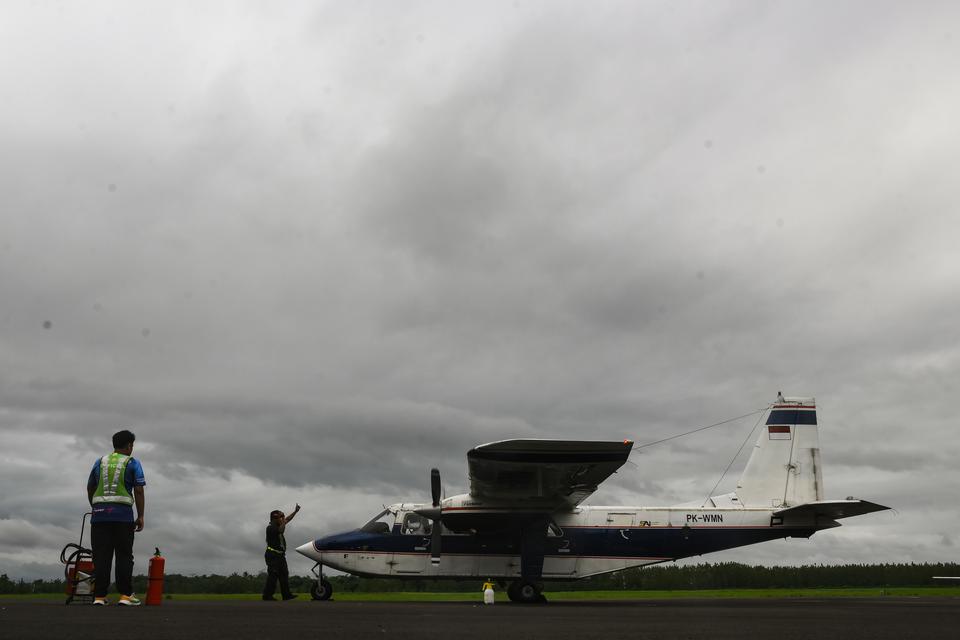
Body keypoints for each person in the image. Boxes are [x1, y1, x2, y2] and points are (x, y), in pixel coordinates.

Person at [86, 429, 146, 606]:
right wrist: (141, 515)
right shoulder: (132, 462)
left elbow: (90, 488)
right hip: (123, 517)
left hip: (99, 516)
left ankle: (99, 596)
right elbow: (139, 490)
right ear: (129, 445)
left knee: (101, 556)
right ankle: (126, 595)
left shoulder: (100, 462)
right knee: (124, 556)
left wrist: (95, 507)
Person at [262, 504, 300, 601]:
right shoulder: (270, 528)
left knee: (284, 574)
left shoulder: (278, 524)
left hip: (280, 555)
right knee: (273, 575)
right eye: (280, 517)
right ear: (275, 519)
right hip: (272, 555)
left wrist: (295, 512)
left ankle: (286, 595)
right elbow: (281, 530)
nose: (282, 519)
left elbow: (287, 519)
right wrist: (283, 520)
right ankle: (267, 596)